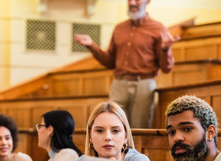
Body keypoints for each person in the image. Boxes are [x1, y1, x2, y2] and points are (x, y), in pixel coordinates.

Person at [74, 0, 179, 128]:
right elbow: (110, 62)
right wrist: (92, 46)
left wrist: (165, 50)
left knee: (139, 129)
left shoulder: (158, 28)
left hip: (144, 85)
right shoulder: (119, 28)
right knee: (113, 125)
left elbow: (167, 68)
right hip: (119, 84)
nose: (132, 3)